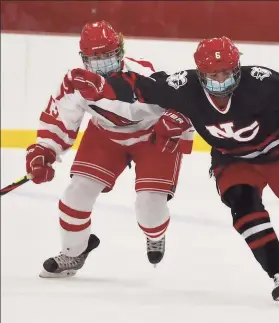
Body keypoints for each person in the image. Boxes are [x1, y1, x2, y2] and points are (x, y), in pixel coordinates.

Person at [77, 36, 279, 306]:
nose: (219, 82)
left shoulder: (262, 81)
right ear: (199, 74)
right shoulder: (184, 86)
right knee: (244, 210)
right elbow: (142, 87)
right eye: (211, 76)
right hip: (233, 160)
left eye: (226, 73)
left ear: (237, 68)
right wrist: (102, 86)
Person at [25, 20, 194, 278]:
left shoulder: (146, 72)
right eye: (95, 58)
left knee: (149, 208)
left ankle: (155, 233)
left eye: (107, 55)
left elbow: (184, 103)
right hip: (105, 134)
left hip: (152, 136)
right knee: (76, 193)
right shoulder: (77, 83)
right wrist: (44, 151)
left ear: (121, 51)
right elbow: (60, 118)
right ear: (83, 58)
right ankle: (73, 252)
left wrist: (178, 130)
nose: (102, 62)